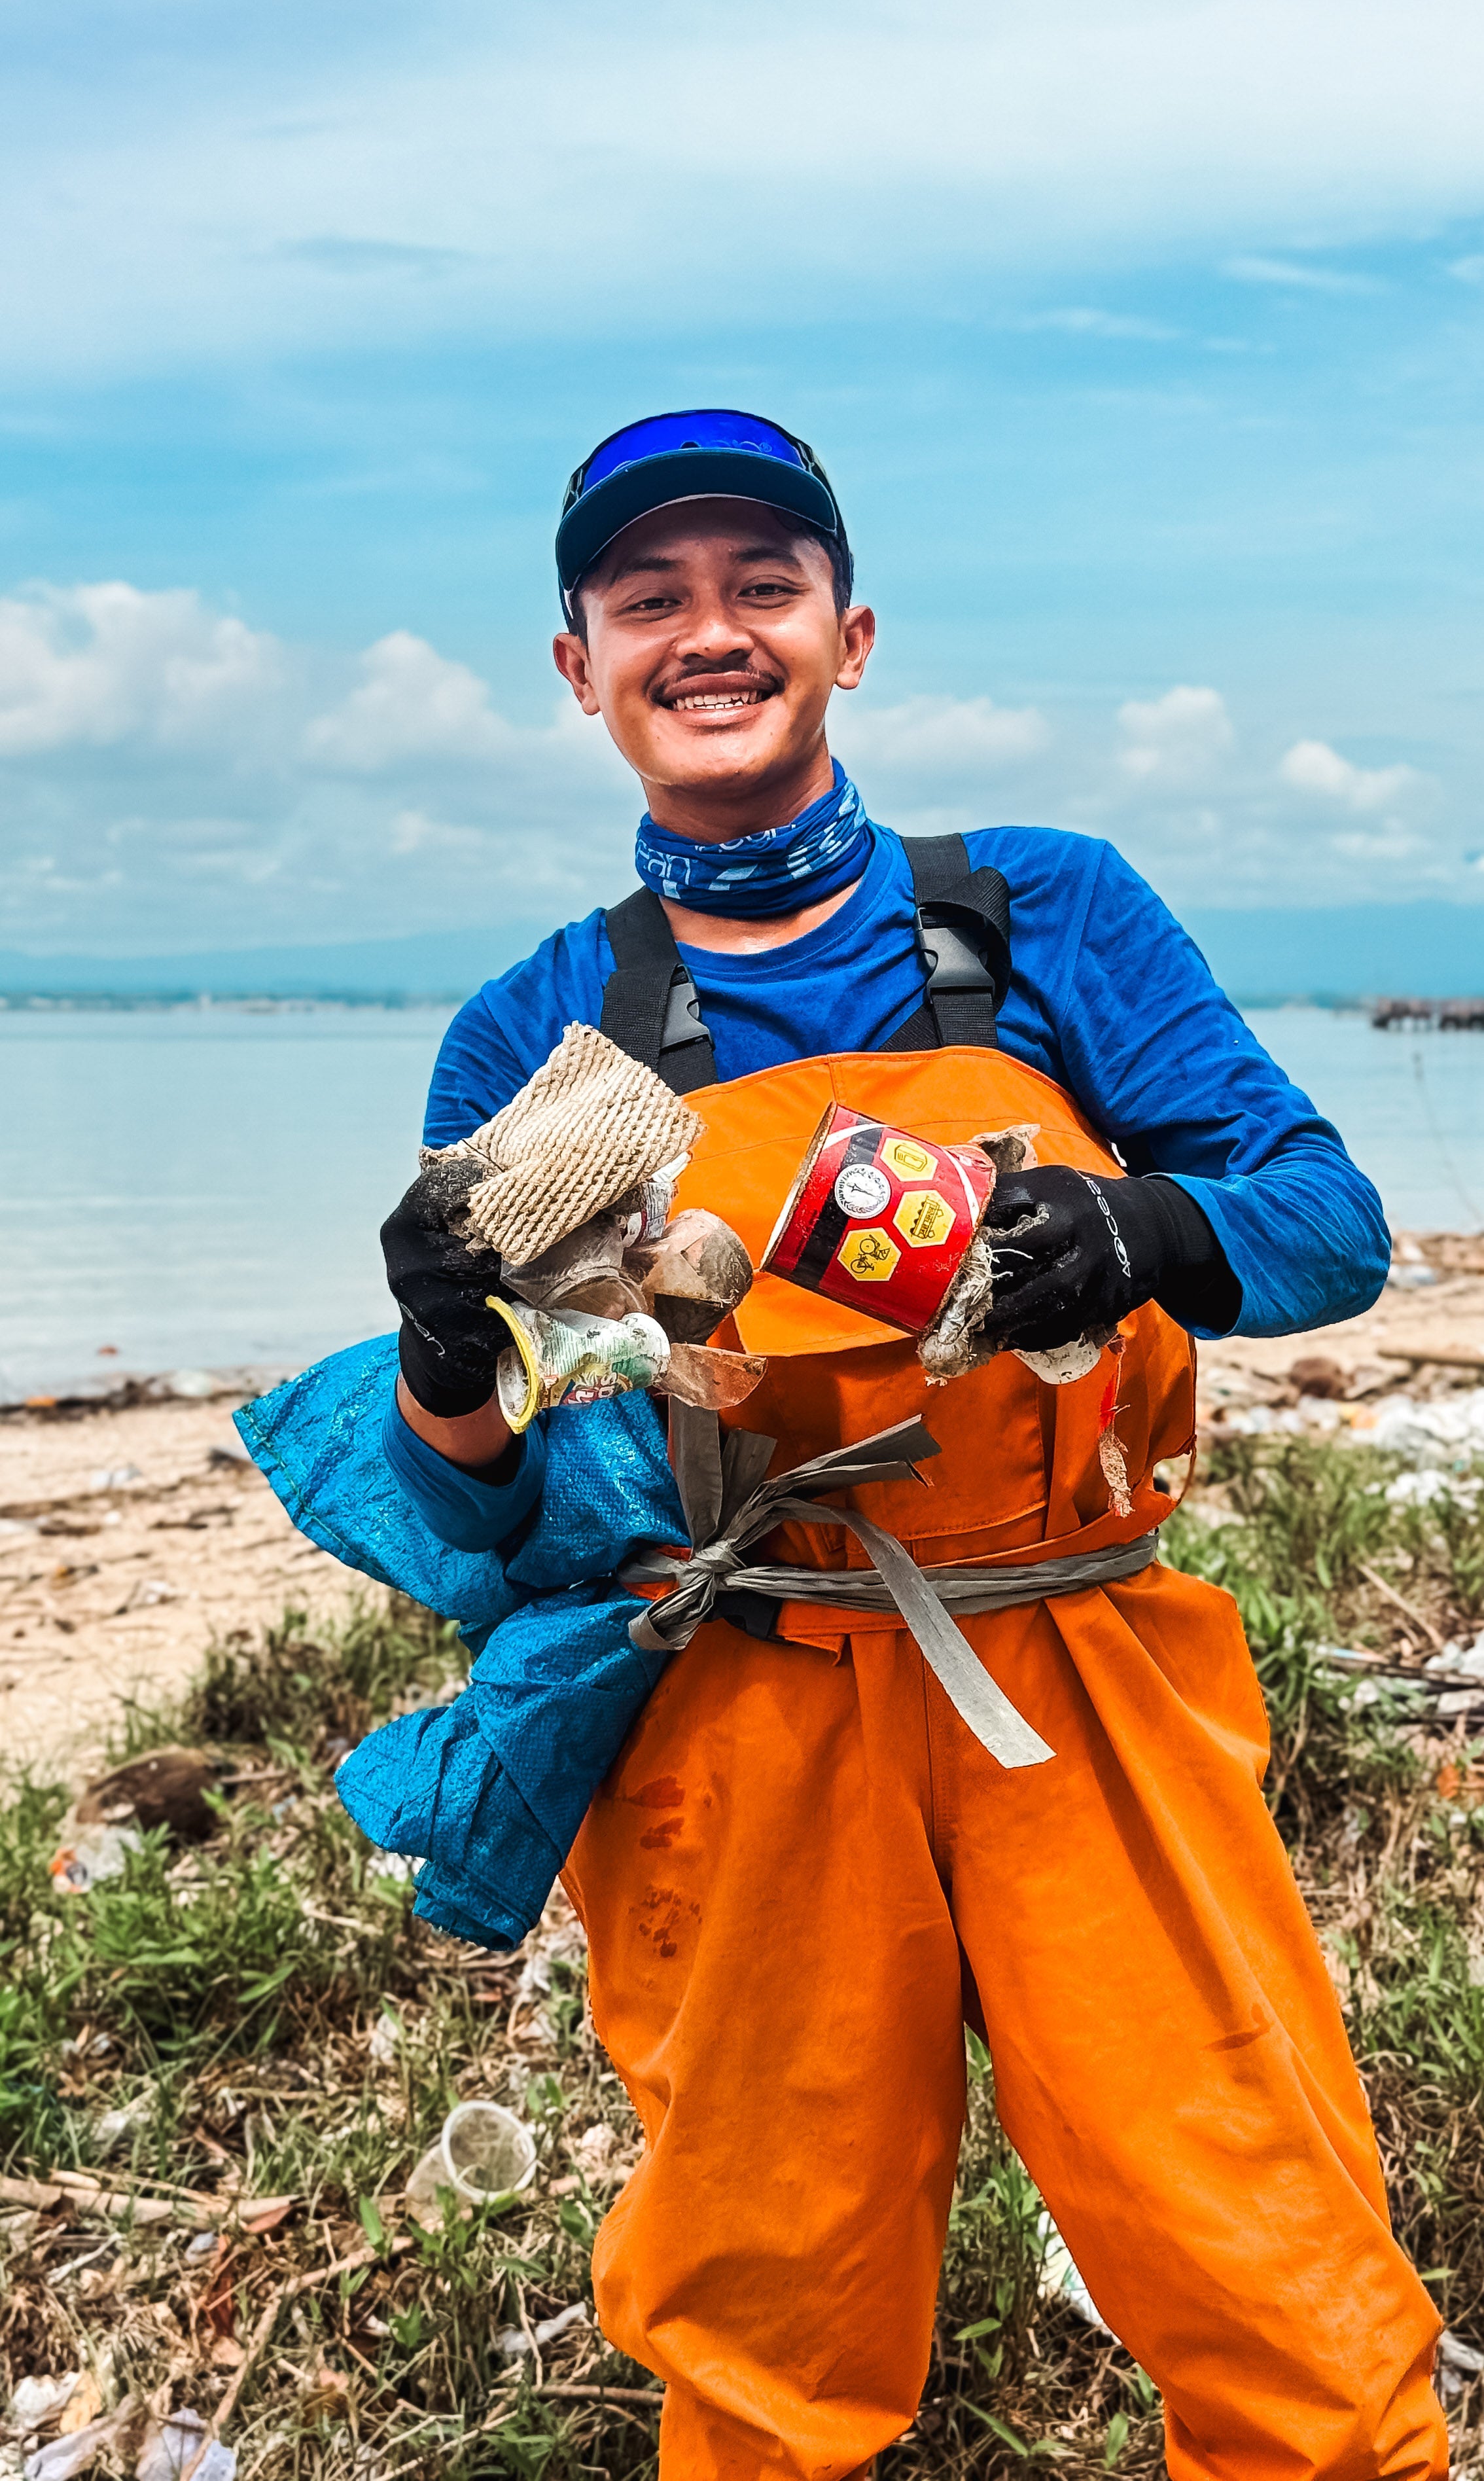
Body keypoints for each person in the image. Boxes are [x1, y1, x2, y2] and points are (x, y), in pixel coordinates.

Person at [380, 410, 1444, 2481]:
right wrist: (441, 1338)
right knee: (763, 2333)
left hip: (1079, 1678)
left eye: (760, 586)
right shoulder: (537, 1026)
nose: (709, 633)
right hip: (747, 1705)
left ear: (846, 637)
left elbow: (1326, 1224)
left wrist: (1145, 1232)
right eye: (647, 600)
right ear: (575, 666)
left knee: (1275, 2278)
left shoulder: (1042, 913)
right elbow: (477, 1512)